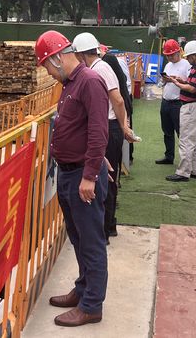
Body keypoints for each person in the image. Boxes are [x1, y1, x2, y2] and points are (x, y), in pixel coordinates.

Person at [35, 30, 109, 327]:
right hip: (69, 172)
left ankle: (92, 305)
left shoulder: (89, 81)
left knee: (91, 241)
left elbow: (98, 131)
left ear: (56, 58)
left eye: (46, 66)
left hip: (82, 175)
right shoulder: (70, 83)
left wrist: (90, 175)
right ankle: (83, 289)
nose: (48, 73)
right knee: (78, 238)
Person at [72, 33, 135, 243]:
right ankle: (108, 226)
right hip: (110, 126)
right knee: (107, 177)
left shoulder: (99, 70)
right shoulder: (99, 68)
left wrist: (123, 126)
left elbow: (118, 100)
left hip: (108, 126)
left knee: (104, 179)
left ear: (81, 54)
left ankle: (104, 230)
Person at [166, 40, 196, 182]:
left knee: (186, 140)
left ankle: (183, 172)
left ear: (194, 55)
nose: (187, 59)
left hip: (192, 107)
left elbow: (192, 89)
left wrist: (176, 83)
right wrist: (182, 81)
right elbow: (193, 84)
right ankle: (195, 171)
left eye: (188, 56)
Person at [156, 39, 192, 165]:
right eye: (168, 55)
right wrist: (164, 80)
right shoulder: (168, 65)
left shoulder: (186, 64)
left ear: (178, 52)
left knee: (181, 132)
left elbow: (190, 83)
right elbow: (160, 84)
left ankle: (185, 159)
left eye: (171, 55)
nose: (170, 57)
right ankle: (169, 156)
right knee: (167, 131)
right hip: (166, 101)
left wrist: (178, 80)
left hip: (178, 103)